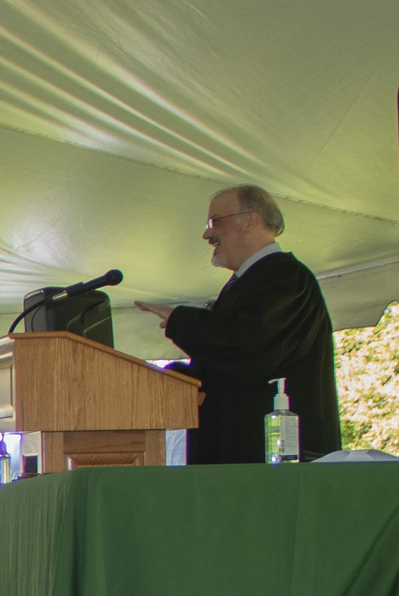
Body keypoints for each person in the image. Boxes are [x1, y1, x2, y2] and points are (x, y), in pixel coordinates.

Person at [134, 184, 341, 465]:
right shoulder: (249, 281)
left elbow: (246, 347)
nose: (207, 234)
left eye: (215, 221)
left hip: (276, 460)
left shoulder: (286, 277)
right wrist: (168, 378)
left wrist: (181, 320)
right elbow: (224, 367)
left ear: (251, 220)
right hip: (241, 456)